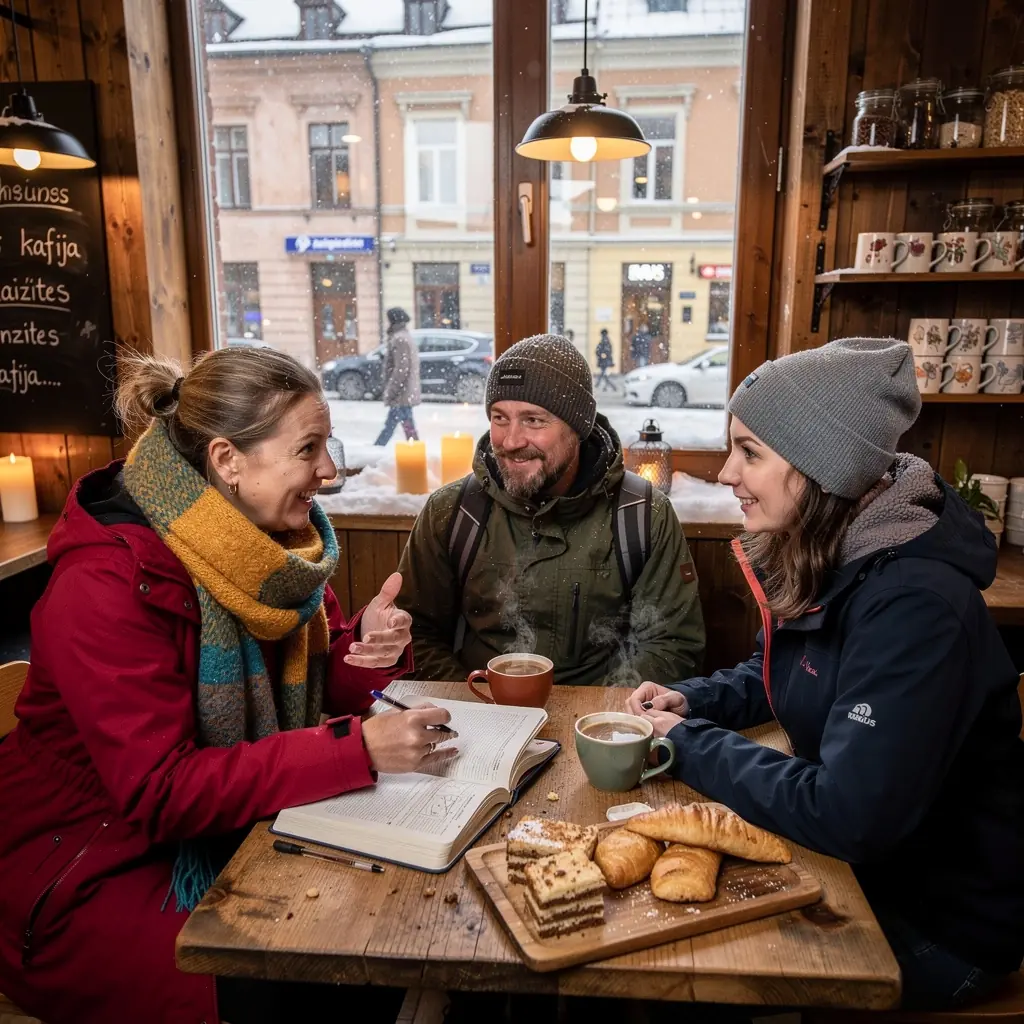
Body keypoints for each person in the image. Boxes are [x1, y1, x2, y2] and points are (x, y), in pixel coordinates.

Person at [0, 348, 451, 1024]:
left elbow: (319, 686)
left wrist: (366, 648)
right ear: (228, 460)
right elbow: (160, 793)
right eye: (309, 449)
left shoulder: (273, 551)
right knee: (298, 974)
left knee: (379, 927)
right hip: (89, 865)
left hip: (236, 829)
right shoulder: (106, 584)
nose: (328, 471)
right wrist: (357, 750)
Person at [626, 337, 1024, 1011]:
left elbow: (849, 812)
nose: (726, 474)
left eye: (750, 452)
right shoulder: (834, 550)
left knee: (679, 962)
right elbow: (785, 669)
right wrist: (690, 702)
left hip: (939, 920)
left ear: (821, 469)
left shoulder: (916, 607)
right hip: (861, 870)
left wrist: (684, 744)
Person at [398, 333, 705, 686]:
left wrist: (600, 716)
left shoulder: (642, 513)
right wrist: (475, 704)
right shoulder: (452, 511)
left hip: (602, 722)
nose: (511, 441)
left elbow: (674, 646)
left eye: (533, 420)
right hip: (479, 714)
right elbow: (414, 634)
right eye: (500, 418)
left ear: (578, 427)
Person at [374, 306, 420, 445]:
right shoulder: (403, 336)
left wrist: (391, 391)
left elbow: (401, 369)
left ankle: (376, 450)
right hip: (404, 393)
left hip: (401, 393)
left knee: (391, 426)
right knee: (405, 424)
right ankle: (415, 449)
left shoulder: (399, 339)